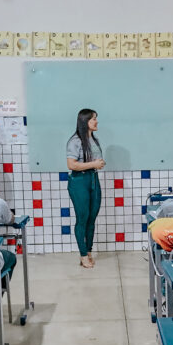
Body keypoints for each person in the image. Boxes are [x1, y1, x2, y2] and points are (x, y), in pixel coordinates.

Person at [66, 108, 105, 269]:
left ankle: (89, 251)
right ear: (85, 122)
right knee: (82, 218)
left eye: (96, 118)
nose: (96, 121)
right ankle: (83, 255)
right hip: (79, 180)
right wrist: (93, 164)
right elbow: (71, 164)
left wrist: (98, 164)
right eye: (93, 119)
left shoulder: (94, 140)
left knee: (92, 218)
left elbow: (95, 160)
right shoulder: (75, 141)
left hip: (93, 179)